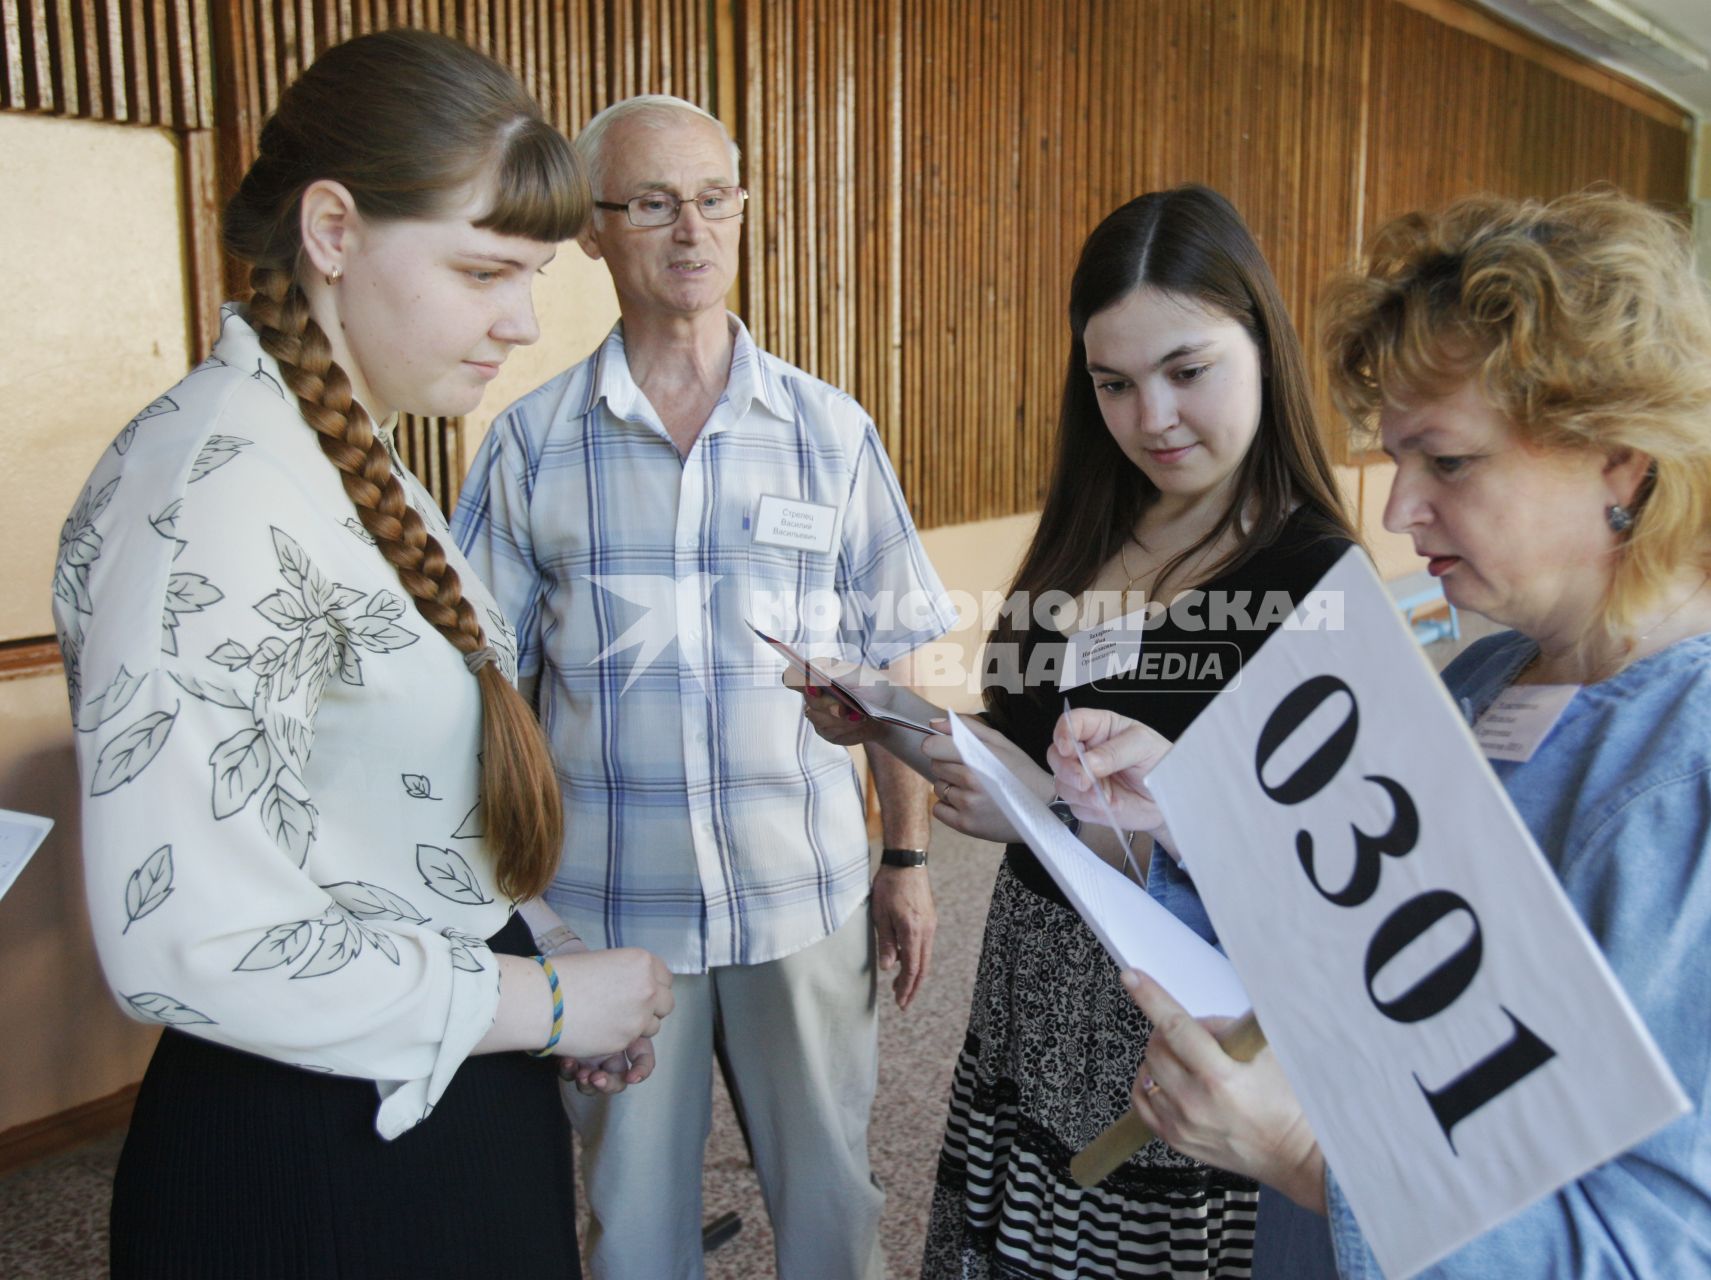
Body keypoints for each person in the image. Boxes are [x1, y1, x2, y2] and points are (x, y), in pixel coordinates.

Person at [1051, 191, 1711, 1278]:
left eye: (1446, 462)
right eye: (1399, 459)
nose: (1399, 512)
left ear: (1621, 461)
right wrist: (1204, 819)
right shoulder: (1498, 668)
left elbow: (1679, 1260)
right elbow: (1360, 930)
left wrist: (1310, 1156)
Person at [52, 30, 675, 1277]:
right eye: (487, 270)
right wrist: (544, 1003)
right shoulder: (218, 488)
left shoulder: (340, 450)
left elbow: (390, 806)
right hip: (313, 1152)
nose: (521, 322)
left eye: (535, 274)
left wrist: (540, 950)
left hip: (427, 1081)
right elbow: (187, 927)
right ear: (333, 230)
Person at [797, 184, 1358, 1278]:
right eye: (1115, 383)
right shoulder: (1092, 533)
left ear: (1262, 345)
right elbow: (1023, 748)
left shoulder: (1314, 576)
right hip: (1035, 977)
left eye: (1187, 371)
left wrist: (1065, 812)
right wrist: (891, 719)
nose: (1152, 417)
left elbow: (1317, 877)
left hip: (1172, 1022)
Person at [452, 93, 953, 1280]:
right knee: (632, 1228)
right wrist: (528, 919)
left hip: (805, 895)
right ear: (592, 229)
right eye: (655, 203)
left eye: (716, 198)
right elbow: (487, 697)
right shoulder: (531, 444)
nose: (693, 230)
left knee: (838, 1205)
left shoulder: (829, 432)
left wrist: (910, 860)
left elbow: (893, 659)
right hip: (615, 912)